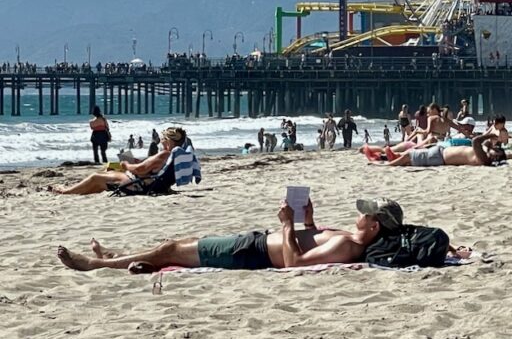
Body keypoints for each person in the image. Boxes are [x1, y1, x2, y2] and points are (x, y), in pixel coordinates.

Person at [57, 197, 403, 273]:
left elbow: (295, 262)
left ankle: (95, 265)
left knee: (171, 248)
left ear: (374, 226)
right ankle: (118, 257)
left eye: (366, 214)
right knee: (174, 248)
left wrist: (285, 225)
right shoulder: (349, 240)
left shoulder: (347, 245)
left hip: (251, 252)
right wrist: (308, 222)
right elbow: (311, 244)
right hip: (252, 244)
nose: (360, 214)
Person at [53, 127, 186, 195]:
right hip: (147, 183)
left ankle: (67, 192)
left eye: (163, 138)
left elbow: (140, 170)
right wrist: (136, 162)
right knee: (105, 174)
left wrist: (127, 164)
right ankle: (76, 191)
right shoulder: (175, 154)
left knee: (95, 177)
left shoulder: (165, 154)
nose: (161, 140)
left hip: (138, 185)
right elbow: (149, 168)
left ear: (168, 141)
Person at [373, 133, 512, 167]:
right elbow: (487, 145)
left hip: (439, 157)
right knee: (410, 158)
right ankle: (385, 157)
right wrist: (508, 155)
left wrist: (490, 135)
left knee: (409, 156)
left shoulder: (484, 159)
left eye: (496, 152)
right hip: (440, 154)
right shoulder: (486, 154)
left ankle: (387, 164)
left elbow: (477, 141)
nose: (494, 151)